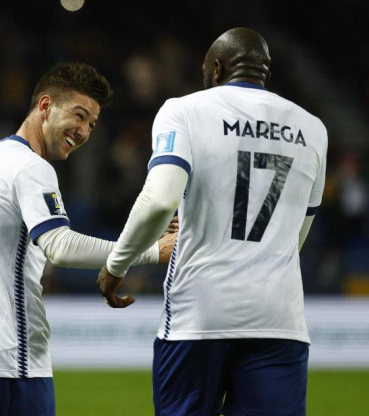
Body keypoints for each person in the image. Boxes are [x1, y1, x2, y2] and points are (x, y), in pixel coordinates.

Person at [0, 62, 176, 416]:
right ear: (45, 106)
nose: (84, 131)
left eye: (92, 124)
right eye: (78, 115)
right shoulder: (32, 169)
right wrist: (149, 252)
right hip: (11, 358)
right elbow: (60, 246)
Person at [97, 27, 328, 416]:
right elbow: (297, 232)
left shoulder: (184, 111)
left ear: (217, 69)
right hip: (279, 319)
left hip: (199, 317)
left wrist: (116, 265)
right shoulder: (313, 129)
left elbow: (158, 202)